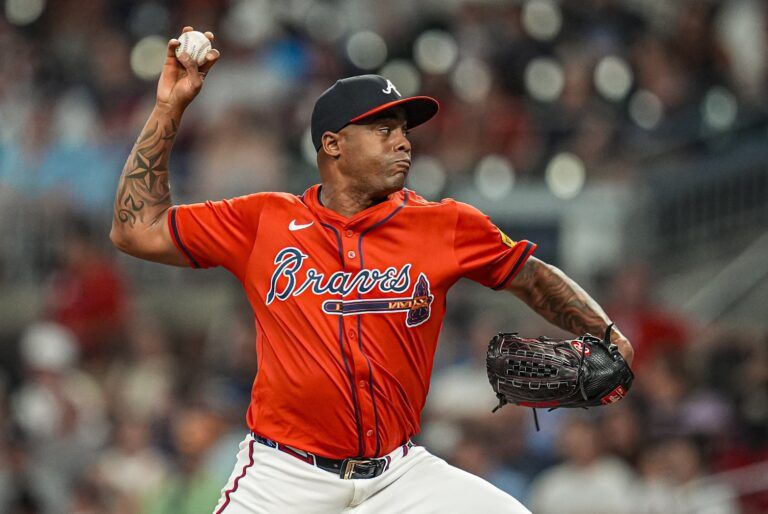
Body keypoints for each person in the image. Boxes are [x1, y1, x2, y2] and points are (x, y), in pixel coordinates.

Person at [110, 26, 634, 514]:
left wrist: (605, 332)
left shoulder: (445, 224)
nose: (403, 142)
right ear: (332, 144)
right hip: (285, 475)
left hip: (400, 475)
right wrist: (168, 109)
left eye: (403, 131)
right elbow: (136, 229)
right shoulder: (263, 220)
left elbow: (531, 276)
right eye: (383, 130)